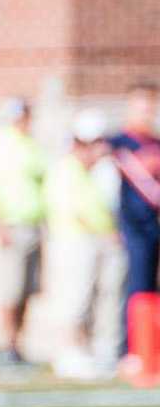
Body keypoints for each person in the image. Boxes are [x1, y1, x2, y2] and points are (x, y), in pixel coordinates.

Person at [0, 98, 47, 372]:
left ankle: (18, 346)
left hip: (34, 225)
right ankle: (6, 346)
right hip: (12, 226)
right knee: (10, 290)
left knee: (27, 290)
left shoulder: (32, 146)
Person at [47, 110, 122, 379]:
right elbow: (74, 211)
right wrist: (104, 234)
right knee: (74, 299)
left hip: (98, 240)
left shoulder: (100, 171)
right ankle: (69, 353)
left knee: (97, 299)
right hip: (75, 241)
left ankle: (91, 351)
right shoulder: (66, 169)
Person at [108, 81, 160, 354]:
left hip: (153, 227)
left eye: (151, 103)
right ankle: (130, 349)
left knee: (151, 288)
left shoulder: (155, 143)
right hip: (129, 228)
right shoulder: (117, 144)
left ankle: (149, 349)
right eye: (142, 103)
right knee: (134, 287)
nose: (147, 110)